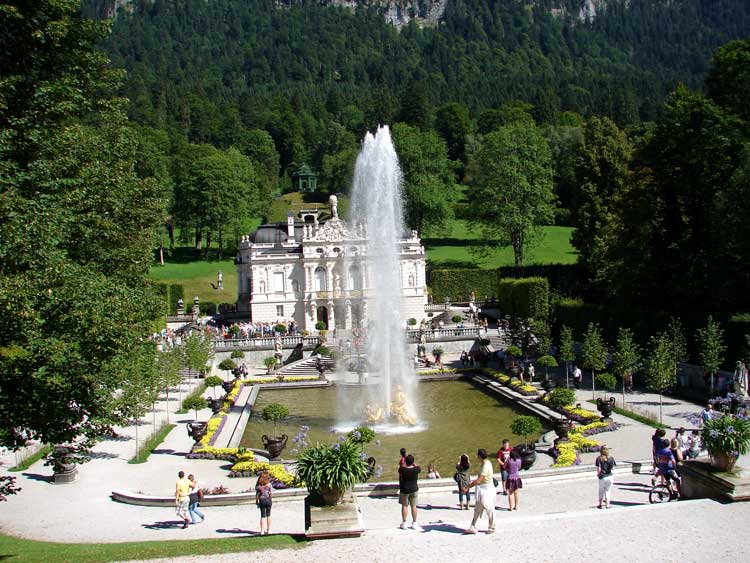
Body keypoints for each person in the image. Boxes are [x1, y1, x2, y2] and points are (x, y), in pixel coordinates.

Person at [464, 449, 495, 534]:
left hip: (486, 489)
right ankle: (472, 526)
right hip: (482, 489)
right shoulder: (485, 463)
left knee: (489, 508)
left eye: (477, 456)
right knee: (477, 509)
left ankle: (492, 527)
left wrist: (467, 487)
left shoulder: (486, 466)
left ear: (480, 456)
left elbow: (479, 480)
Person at [398, 454, 421, 531]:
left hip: (404, 489)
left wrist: (404, 464)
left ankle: (404, 523)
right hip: (414, 489)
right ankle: (414, 522)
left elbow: (400, 468)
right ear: (413, 462)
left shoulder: (402, 470)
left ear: (406, 462)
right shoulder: (416, 470)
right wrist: (414, 464)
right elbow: (418, 467)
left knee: (404, 506)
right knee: (413, 506)